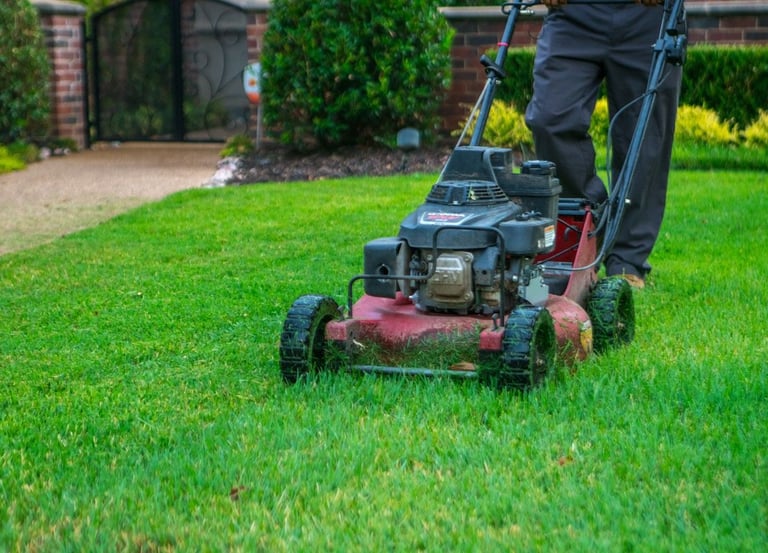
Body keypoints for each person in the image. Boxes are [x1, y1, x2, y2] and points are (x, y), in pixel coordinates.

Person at [525, 0, 684, 289]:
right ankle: (590, 222)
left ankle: (627, 258)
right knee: (550, 118)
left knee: (644, 135)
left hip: (647, 13)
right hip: (573, 13)